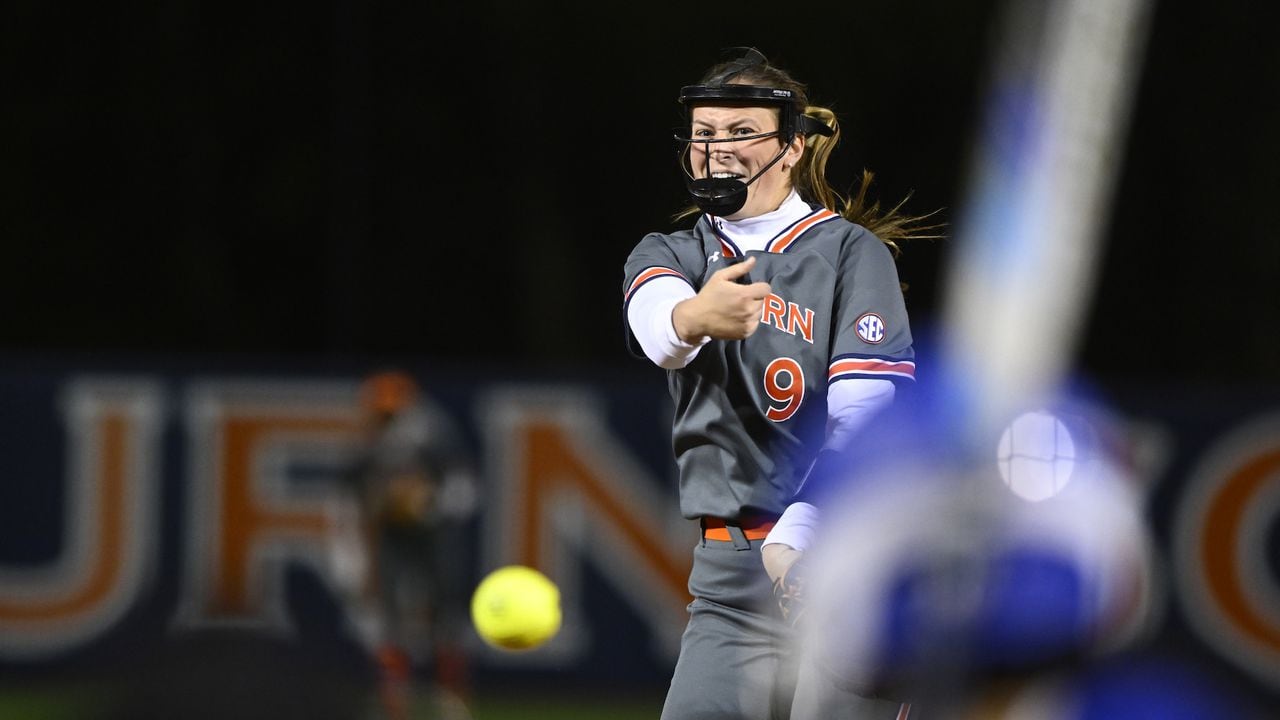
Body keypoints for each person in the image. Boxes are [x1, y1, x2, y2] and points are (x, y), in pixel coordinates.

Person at [621, 48, 940, 720]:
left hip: (841, 563)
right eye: (706, 133)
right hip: (728, 584)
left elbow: (868, 417)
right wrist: (695, 316)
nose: (718, 150)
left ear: (792, 147)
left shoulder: (851, 253)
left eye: (742, 132)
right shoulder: (672, 253)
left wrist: (802, 538)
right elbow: (657, 328)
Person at [340, 369, 479, 720]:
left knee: (445, 614)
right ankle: (393, 701)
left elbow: (465, 489)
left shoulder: (433, 433)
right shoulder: (366, 442)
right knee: (388, 617)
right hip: (391, 535)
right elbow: (351, 494)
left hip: (434, 534)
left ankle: (450, 697)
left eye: (391, 410)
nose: (384, 416)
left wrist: (426, 504)